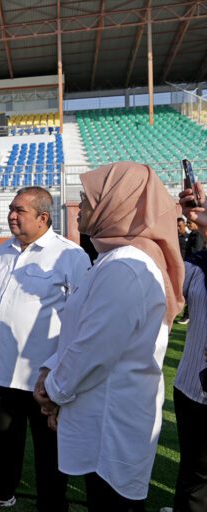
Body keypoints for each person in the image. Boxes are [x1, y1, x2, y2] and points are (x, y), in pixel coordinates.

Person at [34, 162, 184, 512]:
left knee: (111, 503)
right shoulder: (114, 259)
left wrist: (53, 390)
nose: (80, 206)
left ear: (115, 206)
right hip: (102, 410)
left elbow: (95, 349)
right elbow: (86, 332)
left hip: (111, 420)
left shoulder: (126, 266)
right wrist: (50, 370)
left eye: (88, 199)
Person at [0, 187, 90, 511]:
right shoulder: (1, 252)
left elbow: (81, 317)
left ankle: (52, 504)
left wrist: (62, 368)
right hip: (1, 368)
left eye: (19, 210)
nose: (12, 215)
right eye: (10, 209)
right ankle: (0, 490)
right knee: (4, 437)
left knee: (50, 446)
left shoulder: (69, 256)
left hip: (44, 375)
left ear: (43, 218)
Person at [161, 182, 207, 512]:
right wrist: (177, 218)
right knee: (193, 474)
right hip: (192, 388)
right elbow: (169, 274)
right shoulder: (200, 264)